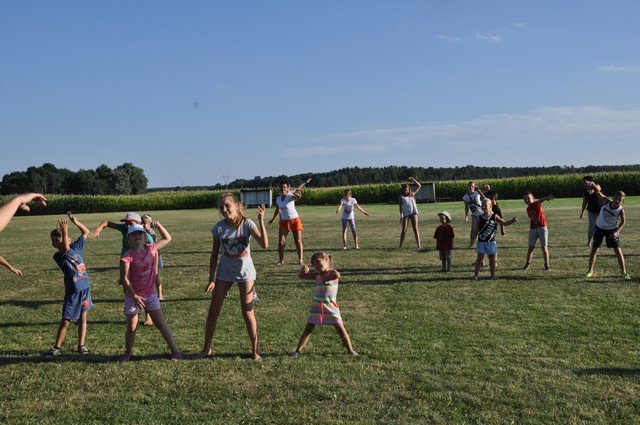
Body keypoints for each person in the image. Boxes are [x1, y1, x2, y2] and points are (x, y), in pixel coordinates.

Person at [196, 194, 268, 361]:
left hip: (245, 273)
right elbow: (214, 255)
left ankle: (255, 350)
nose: (224, 209)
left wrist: (261, 220)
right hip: (224, 272)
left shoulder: (248, 224)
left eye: (227, 205)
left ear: (236, 206)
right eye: (221, 207)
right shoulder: (219, 228)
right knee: (213, 312)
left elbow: (264, 245)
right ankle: (207, 349)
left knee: (248, 312)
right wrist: (211, 279)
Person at [119, 222, 180, 362]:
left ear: (146, 237)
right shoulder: (127, 256)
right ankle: (128, 352)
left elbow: (167, 238)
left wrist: (158, 225)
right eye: (133, 235)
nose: (137, 236)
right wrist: (134, 296)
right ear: (128, 240)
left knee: (160, 323)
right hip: (133, 296)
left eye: (140, 233)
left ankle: (175, 351)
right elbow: (125, 279)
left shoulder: (151, 248)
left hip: (150, 294)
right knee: (132, 325)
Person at [44, 213, 93, 357]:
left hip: (85, 289)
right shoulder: (59, 256)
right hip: (73, 293)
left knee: (83, 319)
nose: (58, 244)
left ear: (69, 239)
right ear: (53, 245)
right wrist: (65, 231)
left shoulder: (77, 247)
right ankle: (56, 348)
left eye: (60, 240)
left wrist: (75, 221)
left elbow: (86, 232)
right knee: (66, 320)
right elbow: (65, 249)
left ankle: (81, 346)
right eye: (55, 242)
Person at [291, 251, 357, 358]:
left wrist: (325, 279)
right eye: (314, 264)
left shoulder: (332, 272)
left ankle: (350, 350)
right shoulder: (317, 275)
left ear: (326, 260)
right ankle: (297, 351)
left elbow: (337, 275)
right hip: (317, 307)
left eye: (318, 261)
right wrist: (303, 270)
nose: (316, 265)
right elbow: (302, 276)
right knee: (308, 329)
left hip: (331, 307)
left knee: (341, 329)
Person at [585, 186, 630, 280]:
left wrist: (616, 232)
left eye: (620, 199)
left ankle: (624, 272)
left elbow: (623, 222)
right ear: (613, 197)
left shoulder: (620, 210)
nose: (617, 200)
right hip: (599, 228)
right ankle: (590, 271)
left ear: (622, 201)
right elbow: (598, 192)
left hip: (611, 230)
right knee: (594, 249)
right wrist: (592, 184)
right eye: (616, 198)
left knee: (618, 251)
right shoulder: (606, 201)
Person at [268, 179, 311, 265]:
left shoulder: (290, 196)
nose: (282, 189)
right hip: (284, 222)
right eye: (281, 188)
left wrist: (298, 194)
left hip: (295, 220)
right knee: (281, 241)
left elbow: (298, 198)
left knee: (297, 241)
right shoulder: (278, 199)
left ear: (287, 188)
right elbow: (277, 209)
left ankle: (300, 259)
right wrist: (273, 219)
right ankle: (281, 260)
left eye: (284, 187)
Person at [472, 199, 517, 281]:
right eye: (483, 205)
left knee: (492, 259)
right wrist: (472, 241)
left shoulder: (494, 216)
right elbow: (475, 230)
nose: (484, 207)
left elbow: (504, 223)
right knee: (479, 259)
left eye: (486, 205)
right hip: (481, 241)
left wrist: (512, 221)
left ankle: (492, 275)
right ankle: (476, 275)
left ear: (490, 207)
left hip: (492, 242)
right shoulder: (479, 217)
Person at [522, 192, 554, 271]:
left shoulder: (536, 204)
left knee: (544, 247)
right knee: (530, 247)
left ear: (533, 199)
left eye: (528, 198)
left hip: (542, 228)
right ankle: (527, 264)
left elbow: (540, 200)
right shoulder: (528, 209)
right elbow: (533, 218)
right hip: (533, 229)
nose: (527, 200)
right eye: (525, 199)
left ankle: (547, 265)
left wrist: (547, 198)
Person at [463, 181, 489, 247]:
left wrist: (482, 189)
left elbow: (485, 196)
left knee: (483, 229)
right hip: (474, 214)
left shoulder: (477, 193)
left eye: (472, 186)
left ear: (474, 187)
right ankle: (471, 243)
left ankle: (485, 242)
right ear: (467, 187)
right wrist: (466, 216)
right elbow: (466, 206)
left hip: (482, 213)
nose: (471, 187)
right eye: (469, 186)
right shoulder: (465, 197)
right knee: (473, 230)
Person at [398, 177, 422, 249]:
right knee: (404, 230)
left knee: (415, 229)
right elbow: (400, 208)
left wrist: (413, 180)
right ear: (402, 190)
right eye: (404, 189)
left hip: (414, 213)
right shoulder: (401, 197)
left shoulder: (412, 194)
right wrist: (401, 216)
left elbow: (419, 186)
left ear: (409, 190)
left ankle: (419, 245)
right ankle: (400, 245)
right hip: (406, 215)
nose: (405, 191)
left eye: (406, 189)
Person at [580, 176, 602, 246]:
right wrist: (582, 212)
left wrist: (593, 188)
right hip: (591, 210)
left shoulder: (597, 186)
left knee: (602, 226)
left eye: (585, 182)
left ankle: (599, 241)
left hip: (601, 210)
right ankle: (589, 242)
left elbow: (598, 189)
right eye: (583, 183)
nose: (584, 184)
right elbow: (584, 202)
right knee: (591, 227)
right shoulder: (585, 191)